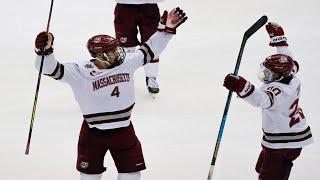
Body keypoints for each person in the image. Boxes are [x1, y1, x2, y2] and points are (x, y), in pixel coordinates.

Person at [34, 8, 187, 180]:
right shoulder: (79, 71)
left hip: (124, 131)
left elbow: (151, 49)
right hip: (93, 134)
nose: (118, 52)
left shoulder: (127, 62)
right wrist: (44, 52)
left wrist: (166, 29)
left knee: (132, 176)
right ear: (99, 55)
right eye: (112, 51)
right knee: (89, 177)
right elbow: (50, 69)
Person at [223, 22, 313, 180]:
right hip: (288, 136)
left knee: (270, 176)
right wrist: (281, 42)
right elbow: (289, 59)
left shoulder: (278, 92)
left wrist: (240, 85)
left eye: (270, 73)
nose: (265, 75)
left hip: (283, 143)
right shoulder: (291, 76)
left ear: (280, 75)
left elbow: (261, 100)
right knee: (262, 167)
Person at [113, 0, 165, 94]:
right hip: (125, 6)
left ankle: (151, 77)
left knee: (152, 45)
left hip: (150, 6)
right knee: (126, 47)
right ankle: (125, 78)